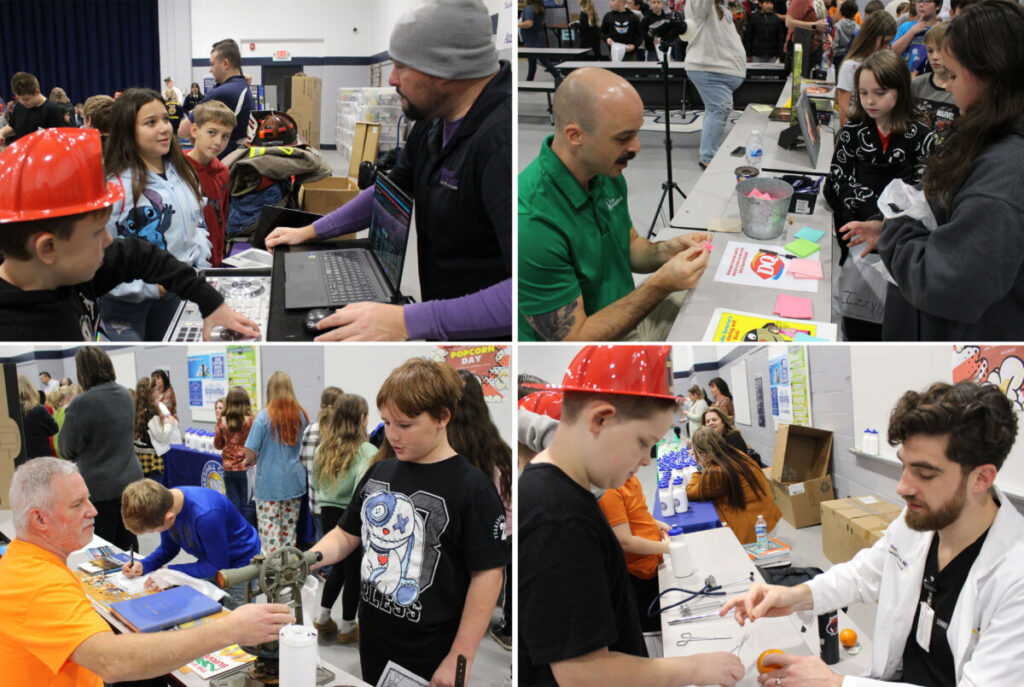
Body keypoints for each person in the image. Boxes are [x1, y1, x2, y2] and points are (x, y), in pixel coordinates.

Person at [721, 381, 1024, 686]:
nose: (902, 487)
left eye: (925, 473)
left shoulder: (1015, 577)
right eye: (904, 466)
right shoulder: (920, 520)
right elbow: (862, 574)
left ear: (981, 478)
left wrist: (837, 684)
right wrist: (795, 596)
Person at [264, 0, 511, 342]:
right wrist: (313, 231)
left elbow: (529, 294)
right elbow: (389, 193)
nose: (391, 79)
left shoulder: (501, 143)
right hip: (447, 322)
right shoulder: (433, 124)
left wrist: (410, 321)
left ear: (444, 71)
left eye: (400, 66)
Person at [519, 345, 744, 686]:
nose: (644, 461)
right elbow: (582, 673)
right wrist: (695, 668)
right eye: (643, 443)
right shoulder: (556, 516)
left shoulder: (567, 494)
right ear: (600, 419)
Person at [0, 457, 294, 686]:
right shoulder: (39, 583)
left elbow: (217, 566)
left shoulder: (34, 566)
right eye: (78, 504)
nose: (94, 511)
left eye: (88, 499)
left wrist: (167, 570)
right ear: (39, 518)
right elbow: (111, 662)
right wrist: (229, 630)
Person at [307, 358, 506, 685]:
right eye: (386, 422)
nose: (393, 435)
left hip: (431, 647)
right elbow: (346, 534)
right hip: (373, 636)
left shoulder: (472, 488)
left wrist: (461, 655)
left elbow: (487, 576)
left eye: (406, 424)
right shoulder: (381, 470)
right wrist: (310, 559)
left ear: (443, 417)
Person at [841, 0, 1024, 341]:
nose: (948, 86)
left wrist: (895, 234)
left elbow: (946, 279)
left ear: (990, 74)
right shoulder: (983, 138)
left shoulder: (1003, 175)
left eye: (953, 75)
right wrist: (888, 231)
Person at [518, 68, 710, 342]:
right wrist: (659, 285)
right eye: (623, 138)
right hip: (595, 343)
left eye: (637, 134)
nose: (637, 147)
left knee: (708, 297)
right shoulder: (531, 223)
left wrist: (666, 251)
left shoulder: (605, 171)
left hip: (624, 316)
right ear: (575, 136)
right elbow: (575, 339)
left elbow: (628, 245)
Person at [0, 128, 246, 341]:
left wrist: (210, 301)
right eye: (98, 233)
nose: (109, 240)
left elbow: (140, 255)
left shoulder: (63, 270)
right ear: (48, 248)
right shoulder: (20, 332)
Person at [827, 50, 935, 340]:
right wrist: (861, 221)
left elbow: (924, 193)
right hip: (857, 238)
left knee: (893, 323)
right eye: (863, 93)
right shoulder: (852, 130)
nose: (870, 100)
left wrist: (884, 221)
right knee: (856, 319)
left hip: (899, 243)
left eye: (880, 92)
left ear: (900, 90)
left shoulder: (922, 136)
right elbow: (837, 179)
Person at [98, 88, 219, 340]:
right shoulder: (113, 186)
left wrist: (199, 256)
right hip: (126, 306)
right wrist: (148, 288)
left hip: (176, 292)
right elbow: (99, 257)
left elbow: (197, 222)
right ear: (127, 130)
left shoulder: (183, 171)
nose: (164, 128)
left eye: (165, 119)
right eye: (150, 122)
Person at [447, 369, 514, 651]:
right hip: (502, 534)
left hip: (458, 538)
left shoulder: (445, 450)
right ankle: (507, 629)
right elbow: (507, 499)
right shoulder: (497, 448)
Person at [57, 347, 142, 552]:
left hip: (99, 487)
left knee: (103, 547)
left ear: (82, 372)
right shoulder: (125, 394)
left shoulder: (82, 402)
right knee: (128, 541)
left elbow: (66, 448)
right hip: (130, 481)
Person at [310, 393, 375, 644]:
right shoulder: (367, 450)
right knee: (354, 571)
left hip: (327, 512)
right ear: (362, 418)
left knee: (337, 566)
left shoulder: (323, 448)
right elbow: (363, 489)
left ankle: (323, 618)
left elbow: (316, 482)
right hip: (351, 516)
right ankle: (348, 626)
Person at [120, 479, 262, 590]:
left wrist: (170, 571)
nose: (156, 532)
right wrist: (145, 565)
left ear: (169, 518)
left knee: (235, 618)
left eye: (154, 530)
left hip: (240, 563)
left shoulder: (206, 515)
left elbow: (217, 567)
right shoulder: (164, 504)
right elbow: (169, 548)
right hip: (211, 560)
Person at [243, 371, 309, 553]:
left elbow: (250, 450)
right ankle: (288, 572)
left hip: (270, 485)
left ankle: (273, 574)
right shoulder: (301, 416)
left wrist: (249, 460)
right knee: (289, 534)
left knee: (270, 537)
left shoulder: (263, 418)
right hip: (294, 482)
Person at [598, 475, 672, 633]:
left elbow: (635, 513)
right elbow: (624, 541)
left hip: (652, 564)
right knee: (653, 628)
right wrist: (665, 547)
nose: (646, 460)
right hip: (637, 574)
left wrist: (655, 524)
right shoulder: (610, 490)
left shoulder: (629, 478)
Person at [683, 0, 749, 168]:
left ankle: (708, 152)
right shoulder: (699, 4)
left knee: (714, 111)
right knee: (719, 109)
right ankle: (708, 158)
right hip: (708, 68)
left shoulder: (720, 6)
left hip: (719, 69)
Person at [686, 427, 779, 544]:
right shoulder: (736, 454)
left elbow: (690, 492)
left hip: (755, 531)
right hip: (769, 520)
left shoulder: (716, 471)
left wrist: (697, 466)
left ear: (704, 454)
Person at [176, 40, 254, 158]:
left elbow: (183, 131)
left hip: (221, 162)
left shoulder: (223, 92)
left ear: (226, 64)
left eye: (212, 64)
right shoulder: (242, 87)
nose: (210, 69)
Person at [185, 100, 234, 266]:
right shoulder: (179, 169)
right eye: (212, 132)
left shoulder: (223, 172)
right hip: (188, 260)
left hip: (216, 258)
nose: (218, 142)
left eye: (225, 136)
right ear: (194, 130)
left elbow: (222, 215)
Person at [834, 11, 898, 126]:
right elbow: (844, 109)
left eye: (890, 42)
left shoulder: (886, 64)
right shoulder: (850, 66)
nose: (888, 48)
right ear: (870, 38)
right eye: (885, 42)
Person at [299, 386, 345, 542]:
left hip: (317, 500)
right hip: (340, 502)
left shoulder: (310, 429)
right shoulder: (343, 431)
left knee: (321, 543)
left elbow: (303, 461)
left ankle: (323, 567)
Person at [910, 21, 958, 143]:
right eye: (930, 51)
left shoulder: (962, 89)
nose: (934, 57)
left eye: (940, 50)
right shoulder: (916, 84)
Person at [215, 385, 256, 524]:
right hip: (247, 467)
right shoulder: (251, 420)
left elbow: (217, 444)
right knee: (249, 503)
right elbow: (255, 444)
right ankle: (250, 534)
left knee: (233, 504)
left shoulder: (223, 421)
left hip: (228, 468)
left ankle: (237, 533)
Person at [0, 72, 65, 143]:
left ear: (37, 92)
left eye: (26, 99)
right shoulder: (19, 106)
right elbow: (13, 127)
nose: (23, 102)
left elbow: (58, 139)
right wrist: (2, 132)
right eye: (19, 98)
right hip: (22, 151)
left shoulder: (52, 109)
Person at [891, 0, 942, 75]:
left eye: (926, 1)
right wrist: (911, 32)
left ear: (937, 6)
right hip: (904, 77)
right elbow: (892, 53)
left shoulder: (941, 30)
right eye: (918, 1)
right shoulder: (906, 27)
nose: (921, 5)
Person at [520, 0, 562, 85]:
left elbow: (529, 23)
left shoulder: (529, 8)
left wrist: (517, 24)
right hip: (537, 36)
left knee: (543, 59)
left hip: (533, 39)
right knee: (532, 60)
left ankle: (558, 77)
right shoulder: (539, 8)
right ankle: (529, 80)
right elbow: (542, 22)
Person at [18, 374, 57, 462]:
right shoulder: (39, 409)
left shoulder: (11, 414)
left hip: (21, 461)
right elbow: (55, 429)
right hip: (42, 458)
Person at [831, 0, 860, 65]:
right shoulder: (858, 28)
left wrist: (831, 58)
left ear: (841, 12)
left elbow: (834, 44)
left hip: (838, 57)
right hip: (851, 56)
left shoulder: (837, 26)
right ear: (855, 12)